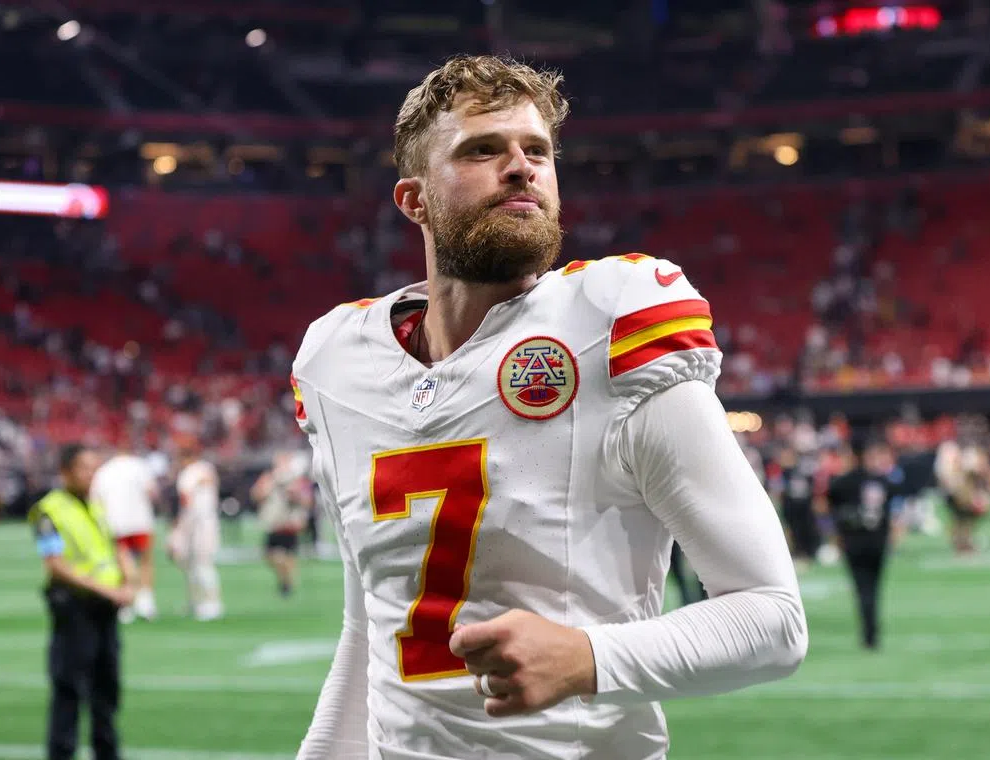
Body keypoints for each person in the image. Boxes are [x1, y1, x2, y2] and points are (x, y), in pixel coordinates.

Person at [291, 55, 807, 760]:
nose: (520, 168)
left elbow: (774, 620)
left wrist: (588, 658)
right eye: (482, 150)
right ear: (413, 200)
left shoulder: (609, 325)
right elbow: (370, 632)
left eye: (536, 150)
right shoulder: (338, 363)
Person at [30, 443, 134, 760]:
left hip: (105, 610)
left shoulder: (97, 503)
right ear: (65, 472)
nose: (91, 475)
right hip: (75, 608)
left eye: (94, 468)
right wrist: (107, 590)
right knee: (69, 689)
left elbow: (114, 545)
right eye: (84, 468)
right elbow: (56, 564)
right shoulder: (48, 510)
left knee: (107, 689)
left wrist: (129, 581)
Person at [826, 438, 902, 650]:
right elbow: (893, 506)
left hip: (854, 542)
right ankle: (872, 632)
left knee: (862, 589)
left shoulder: (842, 482)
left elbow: (829, 508)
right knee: (874, 588)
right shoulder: (881, 481)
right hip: (877, 541)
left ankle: (868, 634)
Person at [91, 445, 161, 621]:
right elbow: (152, 492)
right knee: (145, 561)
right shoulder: (140, 466)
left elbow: (95, 500)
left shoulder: (104, 471)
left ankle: (126, 602)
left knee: (123, 563)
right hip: (141, 521)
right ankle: (146, 601)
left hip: (116, 523)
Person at [171, 438, 224, 621]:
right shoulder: (206, 468)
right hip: (207, 519)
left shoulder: (188, 473)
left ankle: (210, 603)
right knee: (195, 564)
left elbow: (187, 502)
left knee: (199, 564)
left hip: (197, 522)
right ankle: (198, 601)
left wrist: (179, 529)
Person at [251, 452, 312, 597]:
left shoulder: (297, 480)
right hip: (273, 522)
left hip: (289, 522)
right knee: (270, 555)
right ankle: (286, 579)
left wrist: (295, 495)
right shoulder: (269, 478)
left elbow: (308, 502)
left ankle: (287, 584)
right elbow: (256, 495)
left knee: (288, 555)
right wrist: (267, 488)